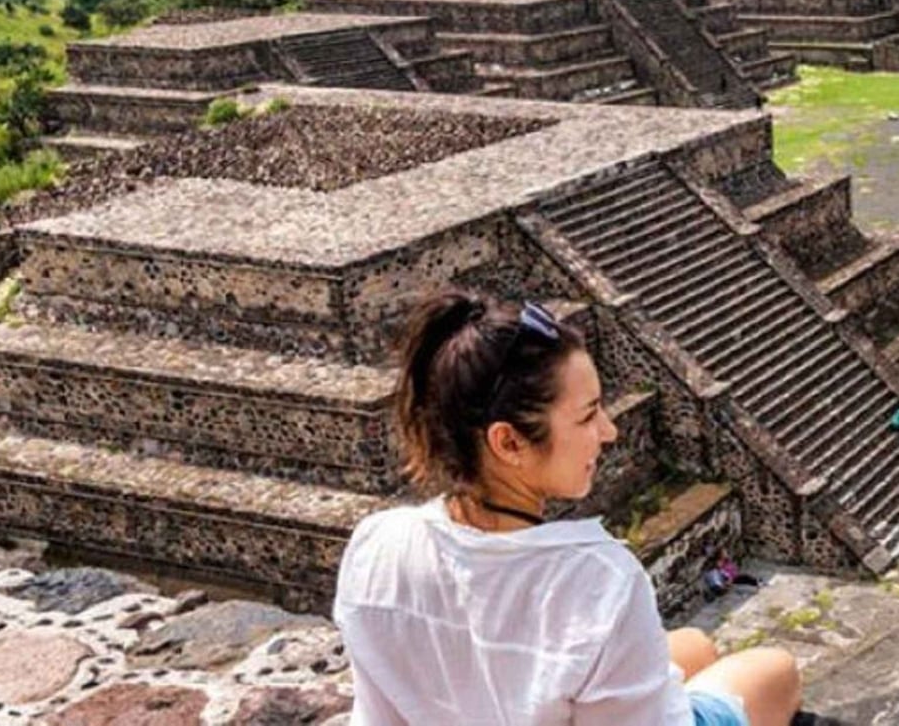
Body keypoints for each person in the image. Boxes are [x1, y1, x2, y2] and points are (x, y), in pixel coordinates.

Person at [333, 291, 801, 726]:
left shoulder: (377, 543)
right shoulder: (595, 582)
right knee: (773, 670)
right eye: (586, 415)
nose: (609, 431)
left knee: (694, 645)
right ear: (509, 441)